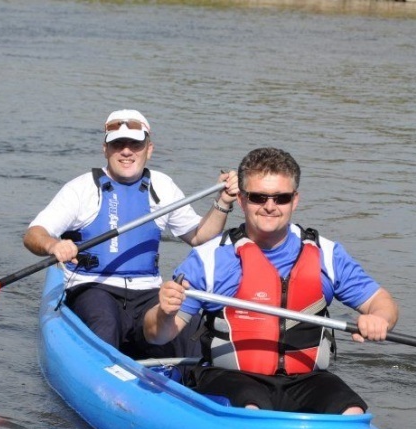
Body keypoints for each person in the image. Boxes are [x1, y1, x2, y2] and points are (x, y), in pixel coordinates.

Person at [143, 147, 399, 415]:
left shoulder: (327, 254)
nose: (270, 206)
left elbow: (382, 302)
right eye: (258, 197)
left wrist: (380, 318)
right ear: (241, 200)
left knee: (353, 411)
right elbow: (157, 334)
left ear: (295, 200)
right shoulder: (209, 259)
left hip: (305, 380)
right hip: (232, 380)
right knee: (252, 406)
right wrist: (163, 313)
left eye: (281, 198)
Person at [23, 109, 239, 359]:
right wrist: (53, 246)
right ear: (106, 149)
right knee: (105, 324)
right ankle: (102, 376)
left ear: (149, 149)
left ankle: (198, 385)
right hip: (94, 288)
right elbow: (34, 234)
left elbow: (199, 236)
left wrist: (223, 201)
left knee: (187, 330)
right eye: (118, 144)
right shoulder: (81, 189)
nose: (126, 151)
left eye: (135, 144)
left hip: (147, 291)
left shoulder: (163, 186)